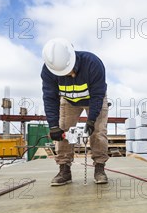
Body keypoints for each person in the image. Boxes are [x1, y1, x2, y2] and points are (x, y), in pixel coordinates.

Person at [41, 38, 109, 186]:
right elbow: (50, 98)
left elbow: (98, 95)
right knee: (64, 130)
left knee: (98, 132)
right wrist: (53, 126)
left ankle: (99, 168)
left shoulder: (93, 63)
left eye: (69, 70)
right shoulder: (48, 71)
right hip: (68, 100)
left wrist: (91, 120)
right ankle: (64, 169)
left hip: (94, 99)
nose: (69, 75)